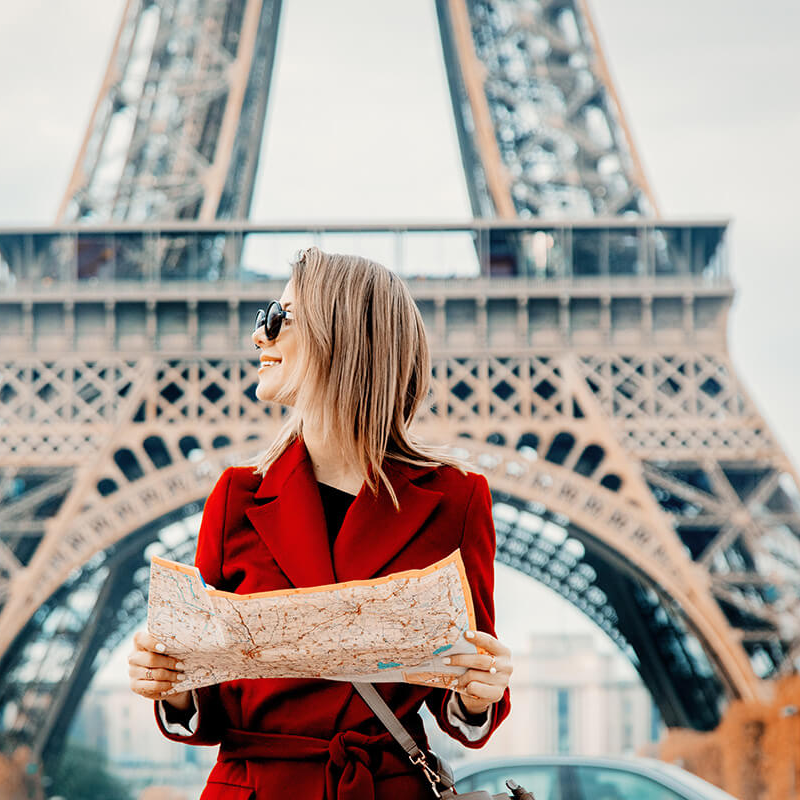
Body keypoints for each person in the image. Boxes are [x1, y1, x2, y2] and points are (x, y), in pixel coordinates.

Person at [127, 247, 513, 799]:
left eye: (279, 318)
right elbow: (208, 701)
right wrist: (173, 687)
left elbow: (460, 686)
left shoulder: (456, 500)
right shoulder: (236, 496)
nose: (259, 336)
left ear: (343, 336)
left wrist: (478, 693)